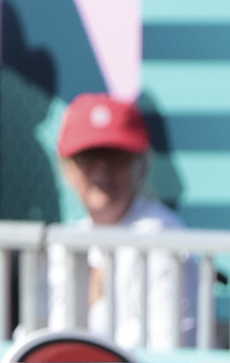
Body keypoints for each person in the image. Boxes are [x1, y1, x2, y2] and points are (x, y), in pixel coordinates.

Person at [46, 89, 203, 349]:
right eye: (87, 156)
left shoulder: (163, 236)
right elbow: (39, 336)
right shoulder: (64, 241)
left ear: (141, 164)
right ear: (67, 167)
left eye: (116, 155)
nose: (102, 168)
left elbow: (168, 354)